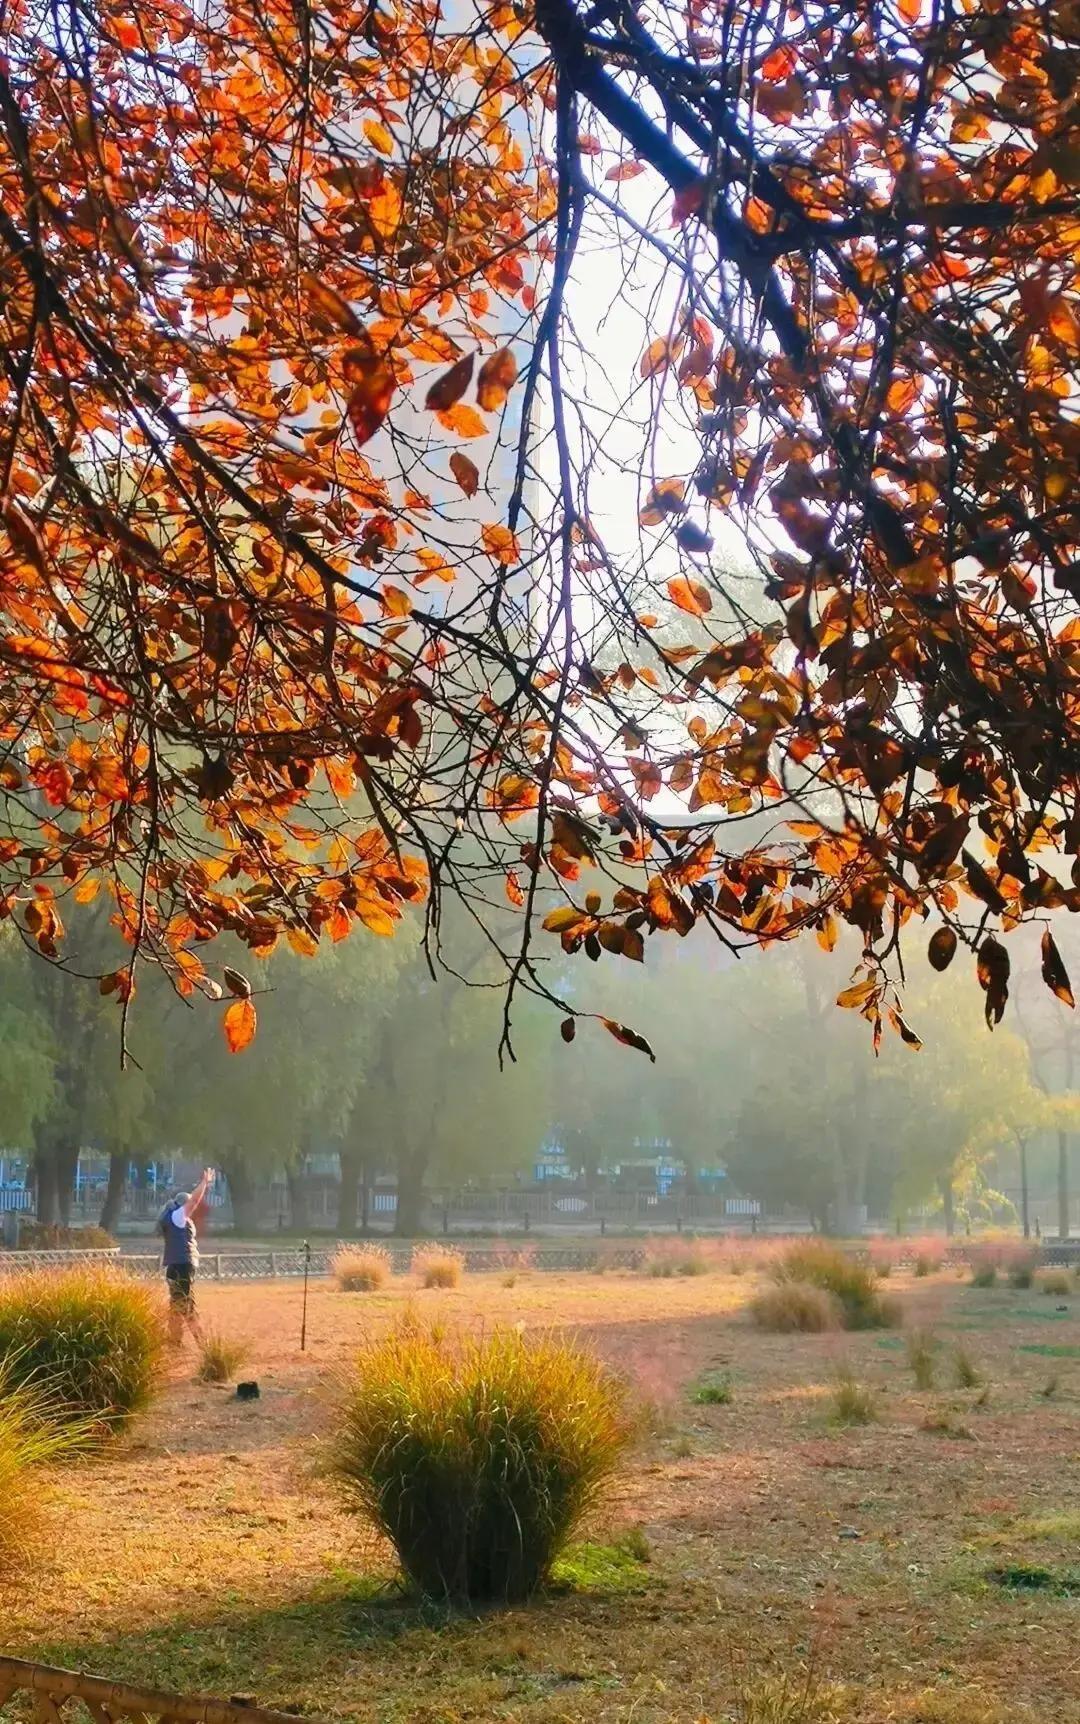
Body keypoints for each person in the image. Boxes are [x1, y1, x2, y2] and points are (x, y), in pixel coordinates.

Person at [159, 1167, 215, 1347]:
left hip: (174, 1266)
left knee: (176, 1304)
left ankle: (174, 1341)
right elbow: (195, 1201)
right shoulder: (179, 1217)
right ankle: (203, 1343)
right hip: (182, 1265)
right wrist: (204, 1184)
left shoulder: (172, 1217)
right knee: (187, 1303)